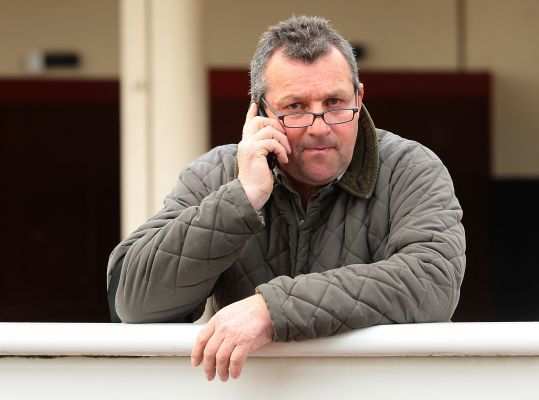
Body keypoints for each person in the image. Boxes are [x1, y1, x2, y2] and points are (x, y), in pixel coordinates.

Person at [107, 15, 465, 382]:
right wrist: (242, 198)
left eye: (335, 102)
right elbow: (133, 302)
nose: (319, 127)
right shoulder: (217, 173)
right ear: (260, 110)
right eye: (295, 107)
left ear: (359, 97)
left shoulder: (410, 169)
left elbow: (432, 281)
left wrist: (272, 310)